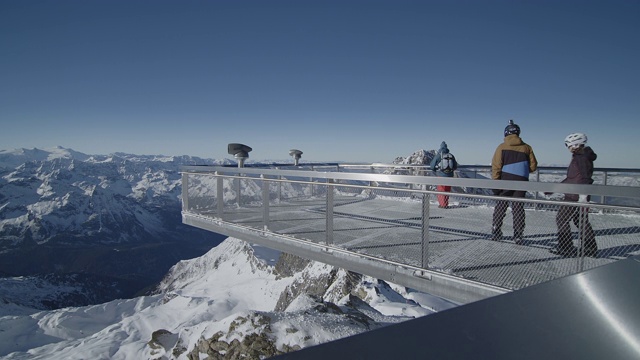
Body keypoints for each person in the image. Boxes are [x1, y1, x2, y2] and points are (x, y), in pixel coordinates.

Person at [550, 133, 598, 257]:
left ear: (575, 145)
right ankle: (590, 248)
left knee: (562, 219)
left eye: (568, 145)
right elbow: (572, 178)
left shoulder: (581, 158)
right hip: (576, 193)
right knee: (580, 220)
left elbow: (585, 178)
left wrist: (583, 196)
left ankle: (565, 248)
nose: (568, 148)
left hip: (574, 195)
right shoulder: (582, 156)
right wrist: (553, 189)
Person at [491, 120, 538, 243]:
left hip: (505, 180)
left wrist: (496, 183)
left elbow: (496, 166)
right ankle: (518, 234)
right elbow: (533, 167)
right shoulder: (527, 147)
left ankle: (496, 230)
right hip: (521, 181)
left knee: (501, 206)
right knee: (518, 208)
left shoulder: (501, 147)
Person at [430, 141, 458, 208]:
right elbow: (455, 166)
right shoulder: (451, 155)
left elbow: (432, 166)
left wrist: (435, 170)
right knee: (447, 190)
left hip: (441, 175)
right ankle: (445, 203)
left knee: (441, 190)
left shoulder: (439, 155)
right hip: (450, 176)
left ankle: (443, 205)